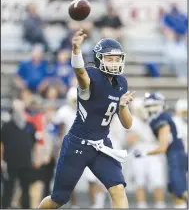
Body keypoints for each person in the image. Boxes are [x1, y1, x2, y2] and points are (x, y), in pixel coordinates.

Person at [38, 28, 135, 209]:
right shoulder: (92, 76)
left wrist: (123, 106)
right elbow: (80, 74)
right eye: (109, 59)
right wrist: (76, 51)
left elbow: (127, 123)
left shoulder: (121, 82)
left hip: (102, 145)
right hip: (77, 145)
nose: (114, 63)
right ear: (99, 59)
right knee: (58, 199)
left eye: (116, 59)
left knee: (118, 190)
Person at [53, 87, 106, 208]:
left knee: (92, 178)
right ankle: (74, 205)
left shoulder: (90, 109)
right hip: (71, 147)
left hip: (88, 146)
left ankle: (95, 204)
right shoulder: (64, 111)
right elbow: (59, 132)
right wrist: (59, 149)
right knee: (70, 179)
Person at [134, 92, 188, 208]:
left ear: (161, 105)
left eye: (153, 105)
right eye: (147, 106)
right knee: (174, 188)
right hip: (175, 154)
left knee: (178, 189)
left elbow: (162, 148)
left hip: (175, 155)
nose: (150, 109)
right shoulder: (159, 118)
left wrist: (144, 153)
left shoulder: (162, 118)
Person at [126, 98, 166, 208]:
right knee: (139, 180)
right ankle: (141, 204)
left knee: (157, 179)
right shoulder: (133, 120)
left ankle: (160, 204)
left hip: (154, 150)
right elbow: (131, 139)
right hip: (139, 150)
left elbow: (163, 138)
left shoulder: (156, 119)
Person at [1, 99, 39, 208]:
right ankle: (4, 207)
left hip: (26, 162)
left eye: (20, 109)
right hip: (10, 162)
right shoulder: (6, 126)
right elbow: (2, 144)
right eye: (15, 109)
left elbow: (35, 144)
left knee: (26, 188)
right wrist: (1, 160)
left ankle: (26, 207)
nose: (18, 112)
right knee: (8, 188)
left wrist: (35, 158)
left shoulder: (30, 126)